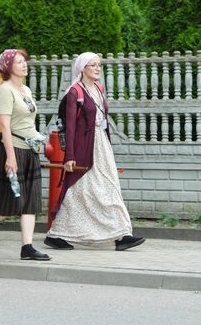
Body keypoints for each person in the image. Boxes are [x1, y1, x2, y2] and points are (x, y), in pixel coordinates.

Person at [45, 52, 145, 251]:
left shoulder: (98, 88)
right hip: (85, 148)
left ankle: (121, 234)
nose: (98, 68)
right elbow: (70, 127)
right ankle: (58, 234)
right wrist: (70, 156)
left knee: (108, 189)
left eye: (99, 65)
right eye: (93, 65)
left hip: (101, 146)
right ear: (82, 68)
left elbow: (103, 120)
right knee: (80, 191)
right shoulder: (75, 93)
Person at [0, 49, 50, 260]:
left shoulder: (26, 89)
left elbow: (28, 122)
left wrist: (38, 140)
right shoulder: (5, 90)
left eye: (24, 61)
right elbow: (4, 126)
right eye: (18, 62)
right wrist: (10, 157)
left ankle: (27, 247)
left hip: (30, 149)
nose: (24, 65)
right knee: (12, 201)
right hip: (13, 149)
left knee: (30, 201)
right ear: (8, 67)